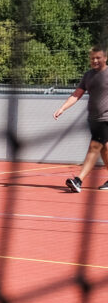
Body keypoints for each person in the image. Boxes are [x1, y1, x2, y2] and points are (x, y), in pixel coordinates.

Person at [55, 44, 108, 192]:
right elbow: (76, 94)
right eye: (92, 58)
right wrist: (62, 108)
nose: (95, 61)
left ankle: (78, 180)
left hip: (107, 118)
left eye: (98, 58)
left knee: (95, 146)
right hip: (94, 119)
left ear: (105, 58)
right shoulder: (88, 75)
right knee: (104, 149)